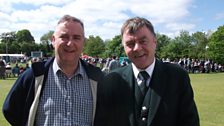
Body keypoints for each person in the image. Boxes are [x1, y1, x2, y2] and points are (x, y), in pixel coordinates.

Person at [94, 17, 200, 126]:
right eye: (130, 43)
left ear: (155, 42)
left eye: (143, 41)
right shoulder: (111, 80)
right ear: (124, 47)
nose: (137, 48)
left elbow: (189, 121)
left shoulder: (177, 77)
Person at [3, 15, 104, 126]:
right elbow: (10, 110)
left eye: (76, 38)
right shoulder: (34, 76)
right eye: (64, 37)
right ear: (53, 40)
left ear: (83, 42)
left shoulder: (97, 79)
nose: (70, 43)